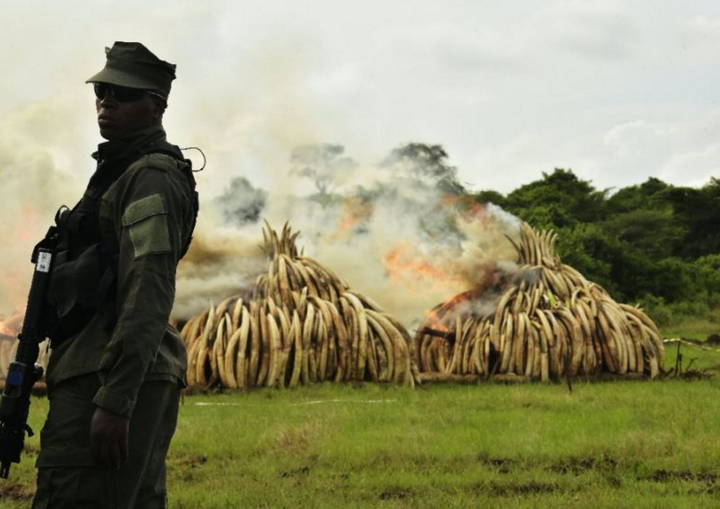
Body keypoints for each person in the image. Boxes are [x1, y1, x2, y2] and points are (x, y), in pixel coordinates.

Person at [31, 41, 198, 509]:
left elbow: (149, 289)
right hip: (99, 370)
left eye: (121, 93)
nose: (106, 101)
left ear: (155, 105)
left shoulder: (150, 178)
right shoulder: (119, 172)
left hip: (107, 378)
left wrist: (115, 399)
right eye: (102, 90)